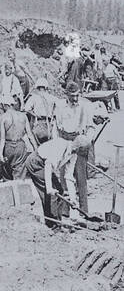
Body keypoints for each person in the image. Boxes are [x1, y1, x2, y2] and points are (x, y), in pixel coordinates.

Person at [54, 86, 95, 217]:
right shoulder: (60, 107)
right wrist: (57, 144)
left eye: (77, 95)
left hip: (79, 142)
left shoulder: (85, 107)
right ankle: (65, 211)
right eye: (72, 96)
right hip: (65, 142)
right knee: (64, 178)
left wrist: (86, 140)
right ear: (67, 95)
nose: (75, 98)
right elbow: (55, 127)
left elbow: (91, 127)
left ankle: (84, 211)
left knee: (81, 178)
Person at [24, 136, 77, 230]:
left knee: (60, 191)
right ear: (77, 147)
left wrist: (73, 199)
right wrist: (49, 188)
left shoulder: (74, 154)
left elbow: (69, 176)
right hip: (36, 162)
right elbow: (48, 166)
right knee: (50, 194)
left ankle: (57, 222)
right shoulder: (60, 145)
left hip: (46, 166)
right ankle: (52, 224)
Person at [0, 96, 38, 182]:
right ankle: (18, 188)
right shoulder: (23, 116)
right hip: (20, 146)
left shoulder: (2, 118)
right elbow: (30, 135)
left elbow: (2, 138)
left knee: (6, 172)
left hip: (8, 147)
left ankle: (10, 190)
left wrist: (0, 154)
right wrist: (36, 149)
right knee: (19, 172)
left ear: (4, 105)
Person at [25, 77, 56, 142]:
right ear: (46, 87)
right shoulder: (52, 97)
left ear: (37, 87)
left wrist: (35, 115)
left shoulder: (34, 97)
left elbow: (27, 109)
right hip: (49, 126)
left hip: (38, 123)